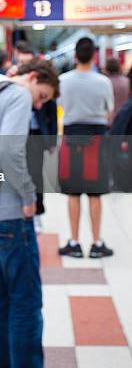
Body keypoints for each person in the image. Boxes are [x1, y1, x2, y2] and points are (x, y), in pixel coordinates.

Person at [0, 59, 59, 368]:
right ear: (32, 77)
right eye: (42, 96)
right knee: (26, 300)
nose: (38, 105)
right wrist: (27, 194)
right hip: (9, 209)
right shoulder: (18, 95)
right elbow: (10, 151)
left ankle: (0, 363)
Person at [58, 37, 115, 259]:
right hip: (97, 139)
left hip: (72, 137)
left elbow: (61, 106)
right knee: (95, 192)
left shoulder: (63, 80)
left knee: (73, 192)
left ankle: (74, 242)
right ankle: (97, 242)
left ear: (74, 56)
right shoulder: (103, 82)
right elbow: (109, 111)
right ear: (93, 56)